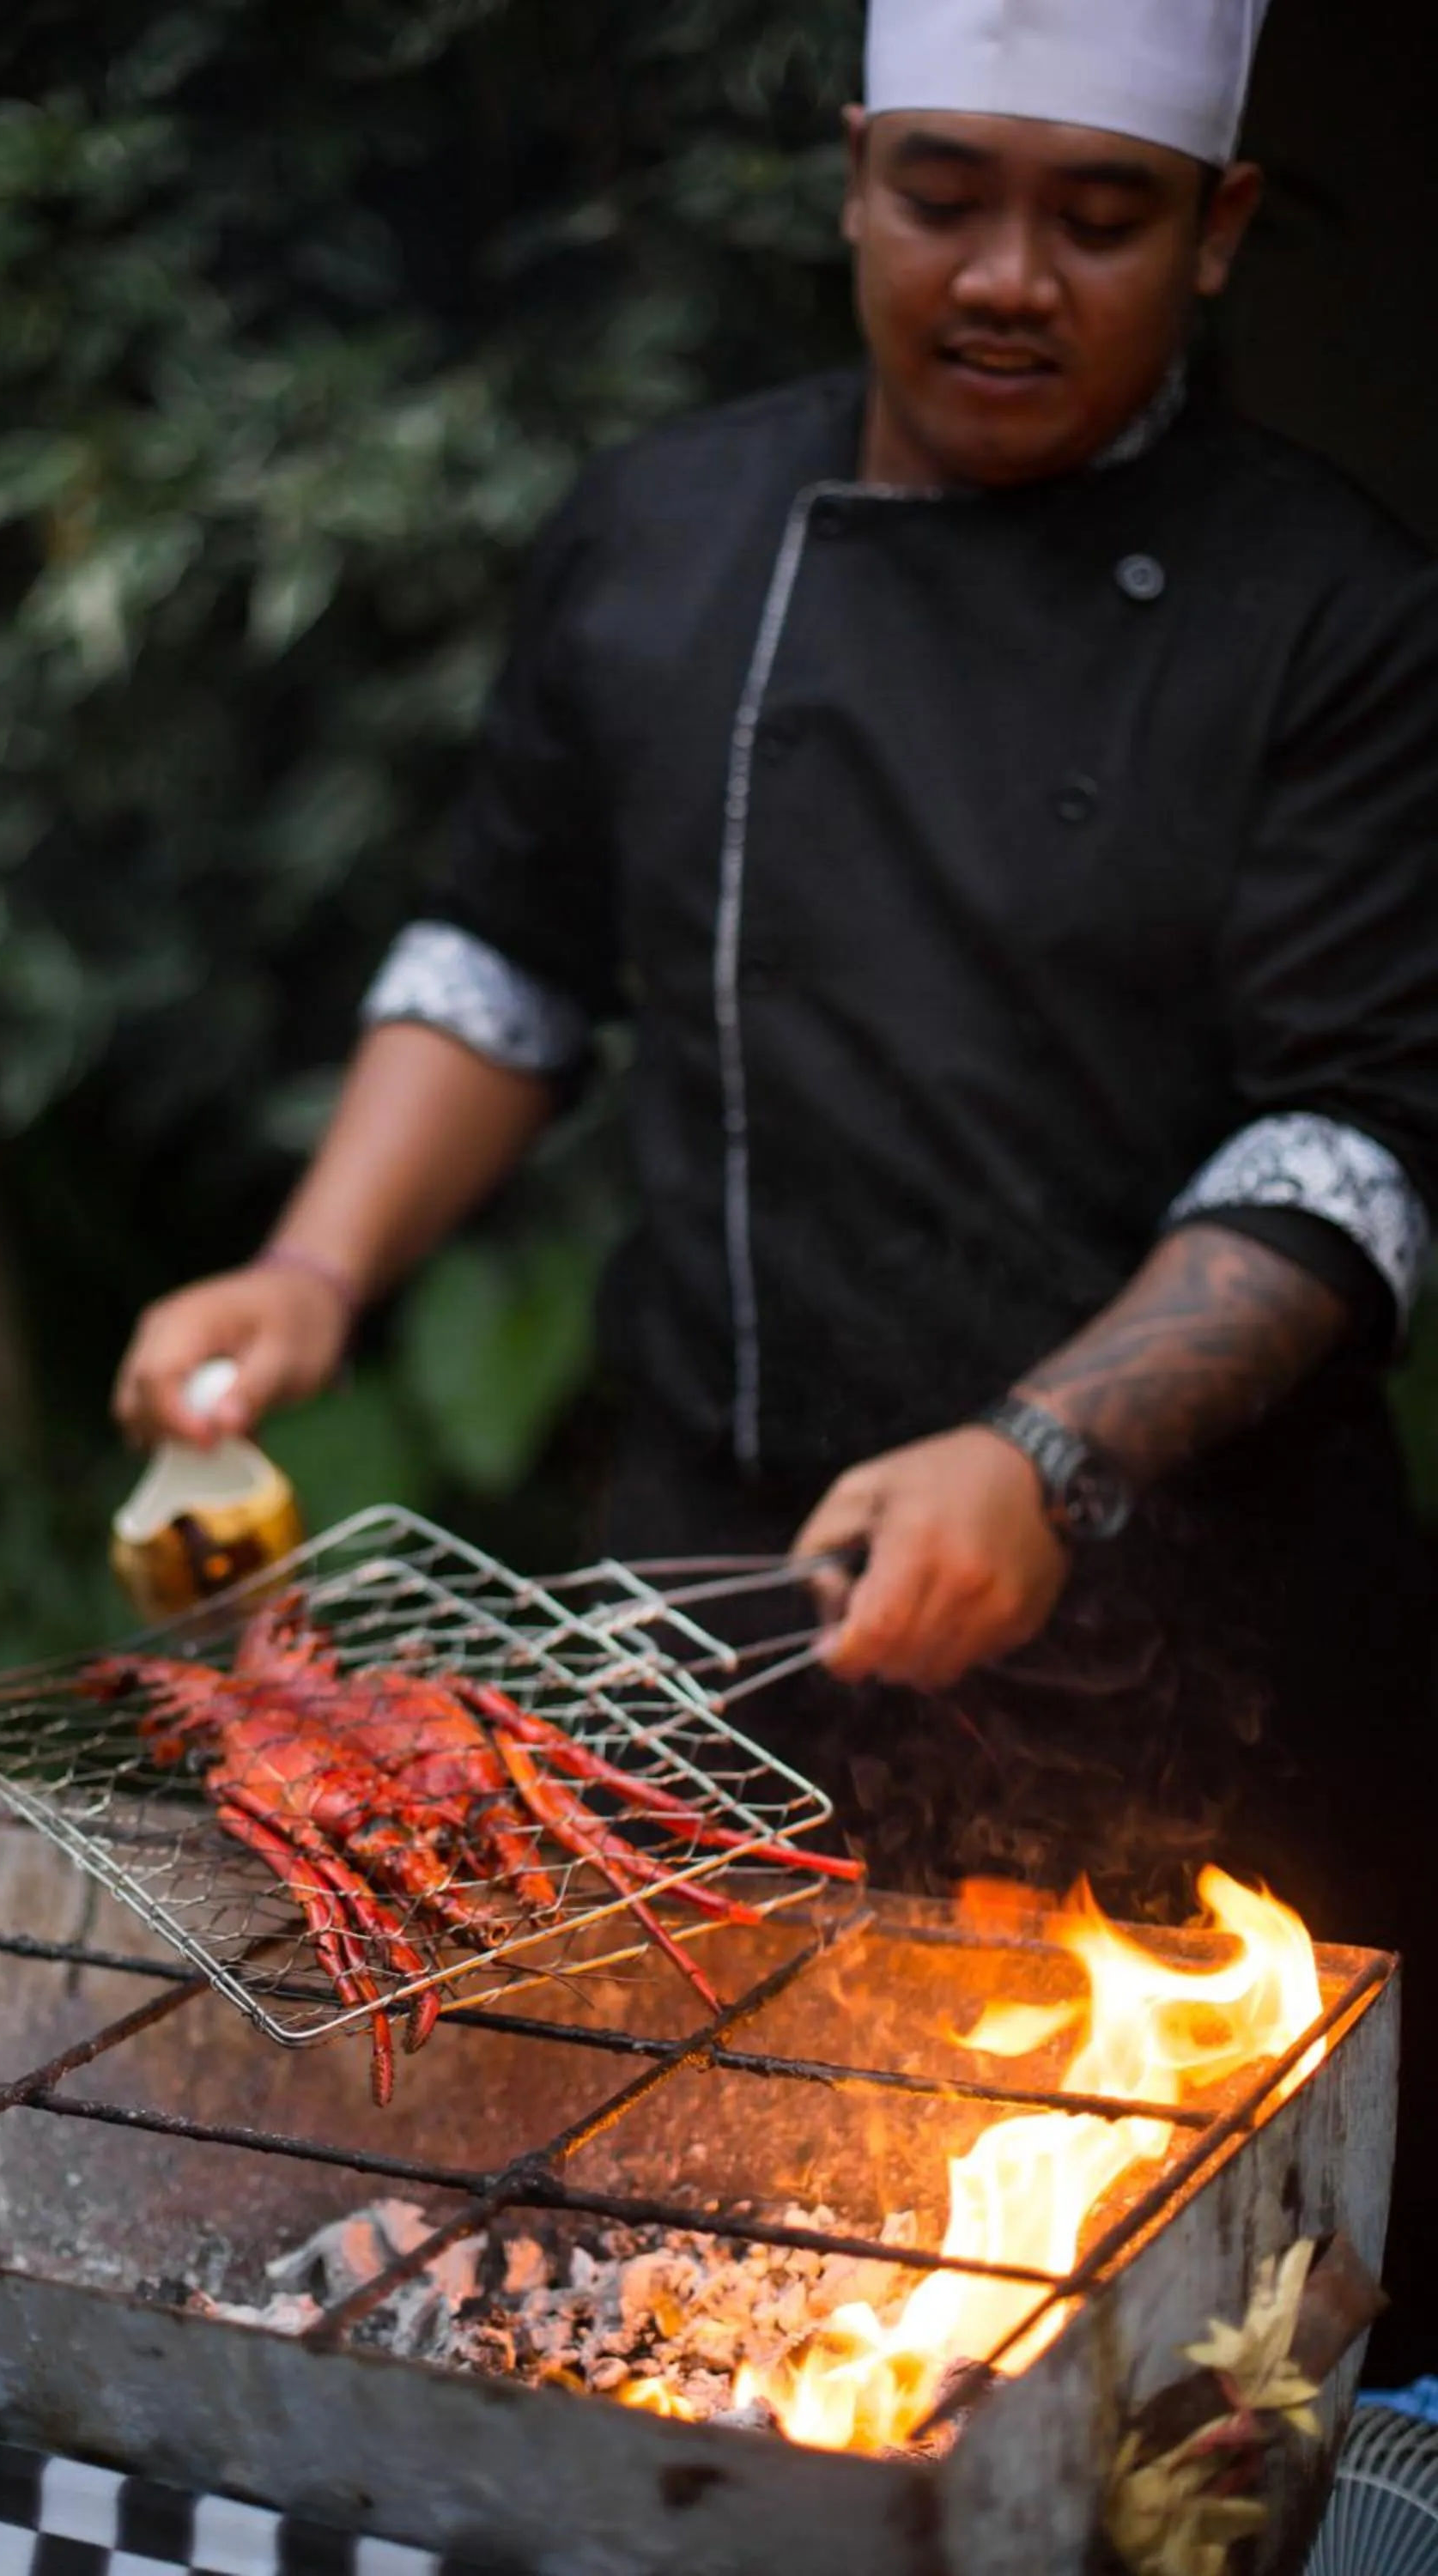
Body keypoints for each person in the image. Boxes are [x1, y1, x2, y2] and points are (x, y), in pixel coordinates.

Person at [117, 0, 1438, 2360]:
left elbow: (1348, 1142)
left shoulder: (1328, 612)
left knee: (1225, 2382)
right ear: (849, 176)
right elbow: (504, 959)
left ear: (1220, 229)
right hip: (720, 1635)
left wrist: (1046, 1450)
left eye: (1100, 211)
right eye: (944, 192)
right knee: (687, 2299)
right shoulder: (665, 529)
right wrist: (315, 1266)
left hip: (1195, 1661)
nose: (1008, 271)